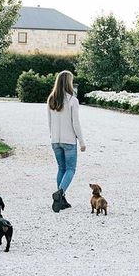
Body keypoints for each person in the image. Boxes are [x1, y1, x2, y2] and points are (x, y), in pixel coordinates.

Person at [47, 70, 86, 212]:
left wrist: (52, 137)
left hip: (55, 141)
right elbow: (76, 123)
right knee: (70, 169)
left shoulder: (51, 99)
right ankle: (60, 193)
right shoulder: (72, 100)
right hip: (69, 140)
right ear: (69, 82)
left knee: (61, 169)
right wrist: (82, 142)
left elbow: (49, 122)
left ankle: (61, 200)